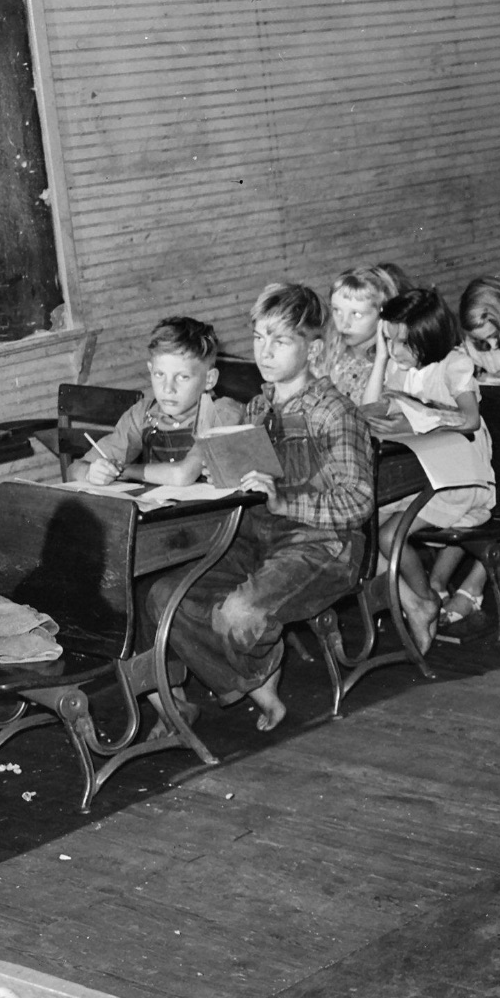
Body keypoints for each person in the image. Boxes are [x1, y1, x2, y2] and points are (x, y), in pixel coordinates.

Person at [146, 283, 373, 733]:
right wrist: (224, 476)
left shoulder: (334, 413)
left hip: (324, 548)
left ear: (315, 348)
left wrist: (282, 498)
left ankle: (258, 680)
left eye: (281, 340)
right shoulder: (257, 406)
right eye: (259, 338)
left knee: (240, 614)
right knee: (163, 595)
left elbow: (358, 501)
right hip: (262, 537)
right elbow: (252, 485)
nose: (265, 352)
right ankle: (257, 683)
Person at [363, 289, 496, 648]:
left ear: (429, 337)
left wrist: (414, 424)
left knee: (391, 536)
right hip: (423, 473)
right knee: (362, 527)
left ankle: (424, 601)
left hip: (461, 476)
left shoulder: (454, 365)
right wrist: (379, 359)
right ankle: (420, 598)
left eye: (403, 343)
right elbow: (373, 410)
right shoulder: (397, 366)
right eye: (389, 341)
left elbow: (469, 420)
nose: (395, 352)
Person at [85, 316, 245, 486]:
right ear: (150, 370)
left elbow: (183, 474)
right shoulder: (142, 414)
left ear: (209, 379)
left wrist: (121, 470)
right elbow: (76, 468)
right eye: (159, 374)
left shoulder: (221, 413)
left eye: (183, 377)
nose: (168, 388)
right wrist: (92, 473)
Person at [324, 265, 410, 405]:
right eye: (337, 311)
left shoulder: (397, 365)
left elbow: (371, 415)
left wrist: (381, 358)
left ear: (382, 314)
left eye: (356, 314)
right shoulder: (331, 351)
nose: (344, 324)